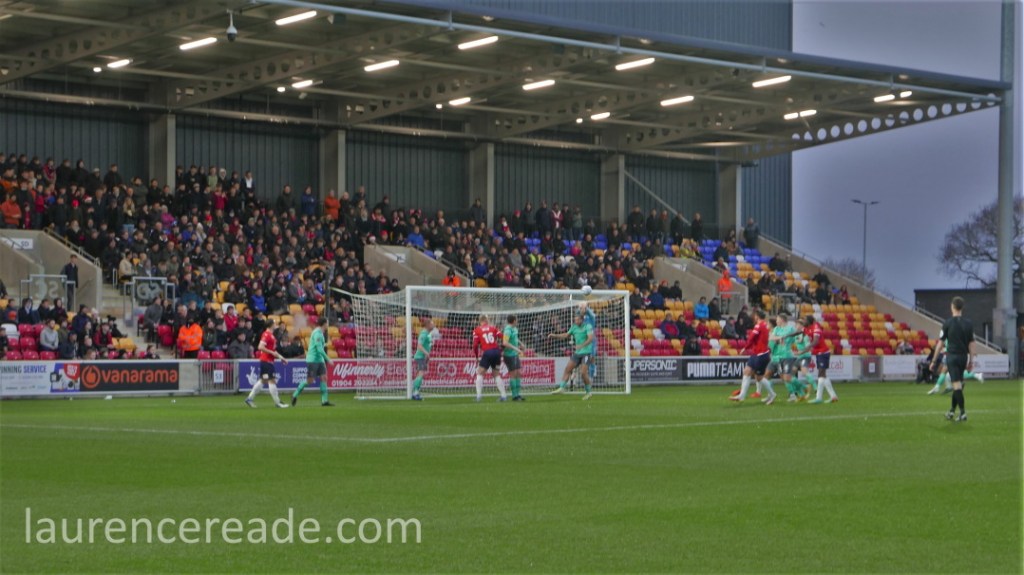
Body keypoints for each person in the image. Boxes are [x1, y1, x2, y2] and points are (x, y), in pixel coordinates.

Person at [930, 297, 977, 422]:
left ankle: (963, 413)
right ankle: (951, 411)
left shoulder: (947, 323)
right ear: (962, 308)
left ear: (952, 307)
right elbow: (972, 344)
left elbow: (940, 344)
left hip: (952, 357)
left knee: (956, 386)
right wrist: (971, 361)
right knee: (958, 384)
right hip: (963, 357)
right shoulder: (968, 324)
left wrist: (934, 361)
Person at [547, 312, 595, 400]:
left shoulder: (588, 326)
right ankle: (562, 388)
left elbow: (590, 338)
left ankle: (588, 392)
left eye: (577, 320)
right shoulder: (574, 327)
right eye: (575, 320)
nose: (576, 321)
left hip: (586, 353)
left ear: (582, 320)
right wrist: (555, 335)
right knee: (568, 369)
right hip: (577, 353)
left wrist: (582, 345)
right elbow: (566, 335)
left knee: (583, 373)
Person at [245, 318, 289, 408]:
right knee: (271, 380)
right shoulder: (266, 334)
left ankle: (249, 398)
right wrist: (272, 353)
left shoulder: (271, 335)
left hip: (267, 361)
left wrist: (282, 358)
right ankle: (277, 402)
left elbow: (273, 350)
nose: (276, 325)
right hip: (266, 361)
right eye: (274, 323)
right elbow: (260, 347)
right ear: (271, 325)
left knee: (263, 380)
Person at [730, 308, 772, 404]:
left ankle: (772, 393)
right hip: (758, 353)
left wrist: (745, 348)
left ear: (757, 316)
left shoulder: (759, 325)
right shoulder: (765, 325)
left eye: (754, 315)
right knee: (747, 371)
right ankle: (742, 395)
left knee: (759, 377)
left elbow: (751, 338)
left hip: (760, 354)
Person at [292, 317, 333, 407]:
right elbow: (319, 349)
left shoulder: (321, 333)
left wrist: (325, 344)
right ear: (324, 324)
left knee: (324, 378)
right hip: (313, 359)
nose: (328, 325)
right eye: (327, 323)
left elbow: (318, 346)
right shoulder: (317, 333)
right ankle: (295, 394)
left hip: (320, 360)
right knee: (310, 380)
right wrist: (328, 359)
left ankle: (324, 401)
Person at [471, 314, 506, 402]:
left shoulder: (477, 330)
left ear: (480, 321)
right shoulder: (493, 328)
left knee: (480, 373)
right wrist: (502, 348)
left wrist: (476, 356)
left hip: (487, 352)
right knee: (496, 374)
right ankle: (504, 396)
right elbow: (504, 337)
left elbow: (475, 345)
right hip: (496, 352)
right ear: (486, 320)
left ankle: (479, 396)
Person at [804, 315, 838, 404]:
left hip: (823, 353)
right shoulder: (808, 328)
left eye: (805, 320)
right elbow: (799, 331)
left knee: (821, 374)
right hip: (819, 353)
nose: (804, 321)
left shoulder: (816, 328)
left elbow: (816, 341)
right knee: (823, 375)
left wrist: (807, 347)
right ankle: (833, 396)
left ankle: (819, 397)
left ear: (809, 321)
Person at [410, 316, 435, 401]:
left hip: (423, 357)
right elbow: (419, 346)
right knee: (421, 374)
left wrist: (427, 355)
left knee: (419, 374)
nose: (433, 325)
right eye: (432, 323)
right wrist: (426, 353)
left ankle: (415, 392)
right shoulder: (424, 333)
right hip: (420, 356)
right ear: (428, 325)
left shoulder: (427, 334)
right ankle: (415, 393)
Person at [502, 315, 525, 401]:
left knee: (518, 373)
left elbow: (515, 338)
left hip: (515, 354)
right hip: (509, 355)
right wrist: (517, 349)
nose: (517, 321)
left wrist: (521, 343)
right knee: (513, 374)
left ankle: (518, 394)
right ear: (514, 320)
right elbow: (505, 343)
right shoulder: (507, 330)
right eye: (516, 320)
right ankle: (514, 395)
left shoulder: (515, 329)